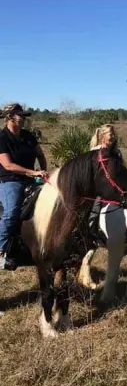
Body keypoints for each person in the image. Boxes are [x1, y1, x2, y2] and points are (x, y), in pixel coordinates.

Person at [0, 103, 48, 269]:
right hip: (11, 180)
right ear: (10, 117)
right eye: (20, 115)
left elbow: (40, 154)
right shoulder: (2, 138)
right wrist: (32, 172)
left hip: (32, 179)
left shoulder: (28, 136)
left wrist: (43, 171)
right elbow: (8, 165)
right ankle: (1, 250)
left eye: (23, 115)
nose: (23, 118)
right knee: (12, 211)